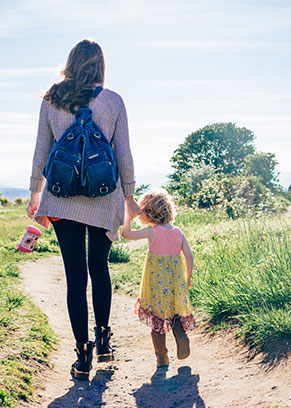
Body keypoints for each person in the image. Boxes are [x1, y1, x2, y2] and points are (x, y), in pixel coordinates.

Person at [26, 39, 139, 381]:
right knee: (99, 267)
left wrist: (35, 193)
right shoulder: (113, 100)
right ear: (100, 65)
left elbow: (41, 149)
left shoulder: (52, 99)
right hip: (104, 197)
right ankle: (104, 341)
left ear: (70, 63)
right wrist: (130, 196)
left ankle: (82, 355)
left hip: (61, 197)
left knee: (75, 277)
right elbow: (124, 154)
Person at [121, 189, 195, 367]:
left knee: (157, 320)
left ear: (146, 213)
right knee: (175, 312)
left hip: (155, 285)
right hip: (176, 283)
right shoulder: (178, 232)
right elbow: (189, 256)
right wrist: (188, 277)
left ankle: (161, 355)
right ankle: (181, 335)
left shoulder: (151, 232)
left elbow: (126, 234)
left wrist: (127, 216)